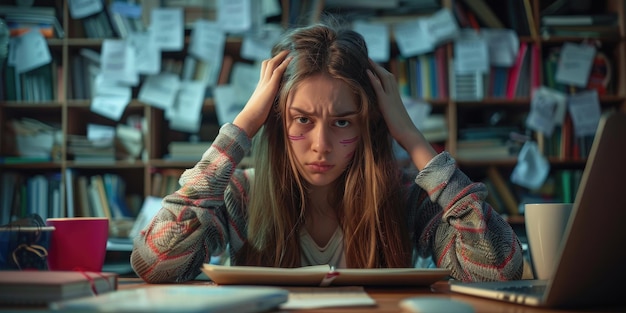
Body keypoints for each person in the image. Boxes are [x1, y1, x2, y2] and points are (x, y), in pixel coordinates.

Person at [130, 21, 524, 283]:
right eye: (302, 120)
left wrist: (412, 139)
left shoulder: (402, 197)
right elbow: (155, 263)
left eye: (342, 122)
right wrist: (244, 125)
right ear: (276, 120)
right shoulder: (241, 196)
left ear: (367, 124)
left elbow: (496, 270)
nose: (321, 145)